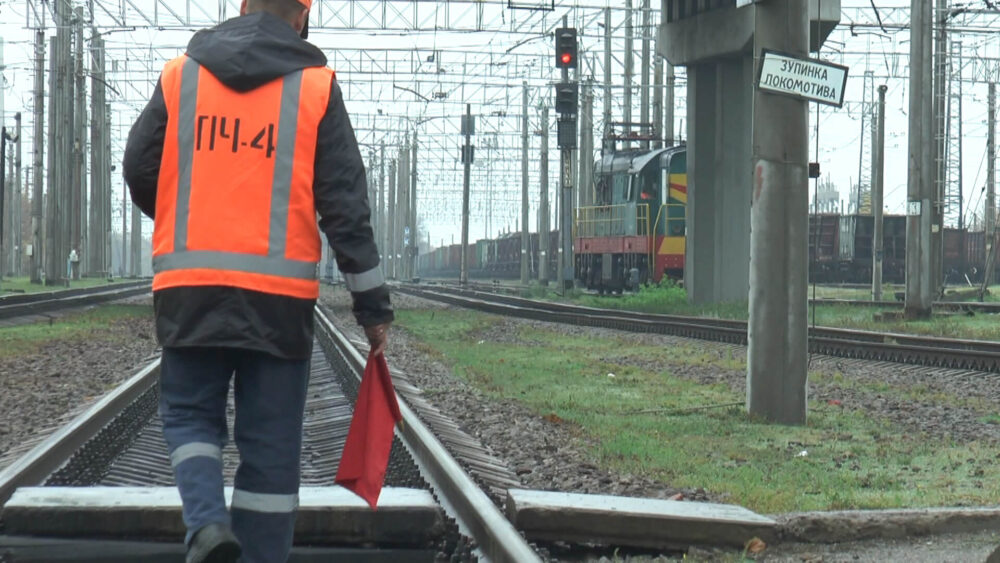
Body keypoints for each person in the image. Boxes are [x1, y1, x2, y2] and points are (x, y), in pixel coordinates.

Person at [122, 0, 393, 560]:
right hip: (279, 302)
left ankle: (205, 525)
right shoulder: (316, 88)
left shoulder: (181, 75)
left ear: (243, 6)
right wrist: (371, 306)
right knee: (270, 449)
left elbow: (139, 167)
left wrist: (183, 216)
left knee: (190, 414)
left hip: (190, 286)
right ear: (302, 17)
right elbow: (345, 206)